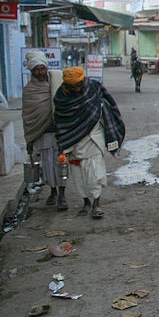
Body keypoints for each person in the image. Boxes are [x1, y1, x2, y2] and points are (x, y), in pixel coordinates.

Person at [54, 67, 125, 219]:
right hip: (73, 141)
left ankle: (96, 204)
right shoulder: (61, 96)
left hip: (94, 136)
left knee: (95, 173)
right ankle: (85, 202)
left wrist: (107, 117)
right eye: (72, 87)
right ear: (66, 86)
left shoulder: (93, 87)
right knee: (78, 176)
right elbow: (60, 118)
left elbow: (109, 104)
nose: (76, 89)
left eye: (78, 85)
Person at [22, 51, 67, 211]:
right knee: (47, 167)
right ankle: (53, 192)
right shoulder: (29, 90)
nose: (40, 72)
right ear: (32, 71)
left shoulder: (56, 82)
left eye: (42, 68)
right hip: (42, 135)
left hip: (59, 133)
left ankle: (62, 195)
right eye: (37, 69)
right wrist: (29, 140)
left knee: (61, 165)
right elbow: (28, 116)